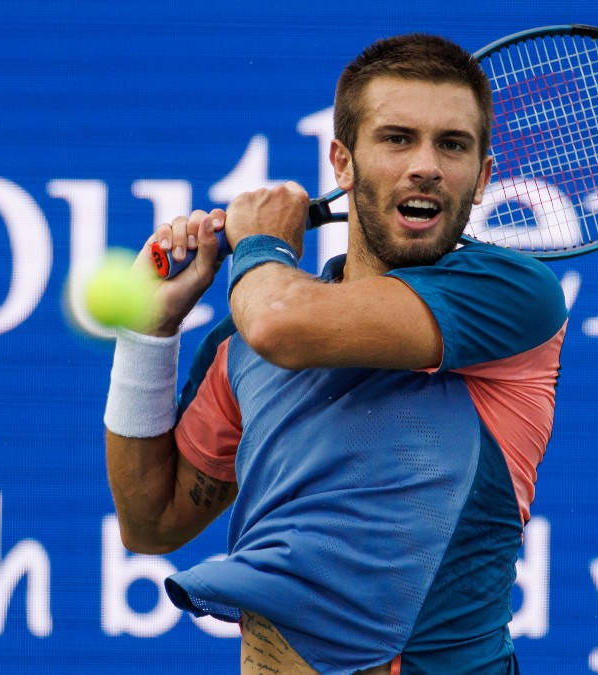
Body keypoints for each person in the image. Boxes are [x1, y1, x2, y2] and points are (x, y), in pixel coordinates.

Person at [102, 34, 567, 674]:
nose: (426, 165)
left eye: (453, 145)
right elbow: (150, 523)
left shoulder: (514, 294)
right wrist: (149, 335)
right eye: (397, 138)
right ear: (342, 165)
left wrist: (262, 242)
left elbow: (281, 323)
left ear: (483, 177)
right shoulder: (242, 341)